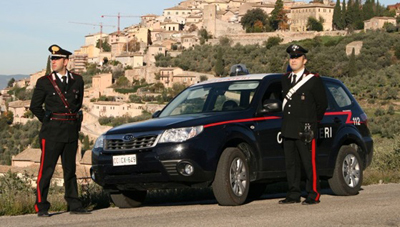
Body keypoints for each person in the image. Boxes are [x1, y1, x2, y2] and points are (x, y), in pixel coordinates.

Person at [30, 44, 91, 216]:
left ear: (66, 61)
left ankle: (74, 205)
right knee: (46, 170)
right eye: (52, 58)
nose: (53, 61)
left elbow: (77, 105)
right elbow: (34, 106)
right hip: (51, 133)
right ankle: (41, 206)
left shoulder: (77, 80)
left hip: (70, 131)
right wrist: (48, 121)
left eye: (57, 58)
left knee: (70, 169)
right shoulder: (44, 82)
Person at [279, 44, 328, 205]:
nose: (293, 60)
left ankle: (313, 193)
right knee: (291, 164)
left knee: (309, 163)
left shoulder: (313, 80)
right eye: (291, 57)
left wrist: (313, 124)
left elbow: (322, 104)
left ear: (304, 60)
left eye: (297, 57)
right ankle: (293, 193)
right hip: (288, 128)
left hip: (305, 129)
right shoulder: (285, 79)